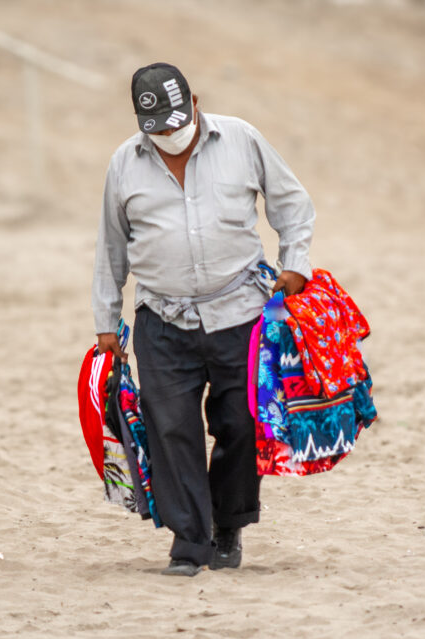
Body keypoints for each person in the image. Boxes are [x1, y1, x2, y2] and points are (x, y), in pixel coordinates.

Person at [92, 62, 315, 576]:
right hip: (161, 318)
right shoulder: (124, 163)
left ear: (195, 103)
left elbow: (292, 205)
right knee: (171, 430)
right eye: (159, 129)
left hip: (239, 311)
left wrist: (295, 265)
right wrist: (106, 321)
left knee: (241, 424)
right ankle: (189, 543)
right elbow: (110, 246)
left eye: (177, 121)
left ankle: (227, 524)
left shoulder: (241, 139)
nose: (171, 135)